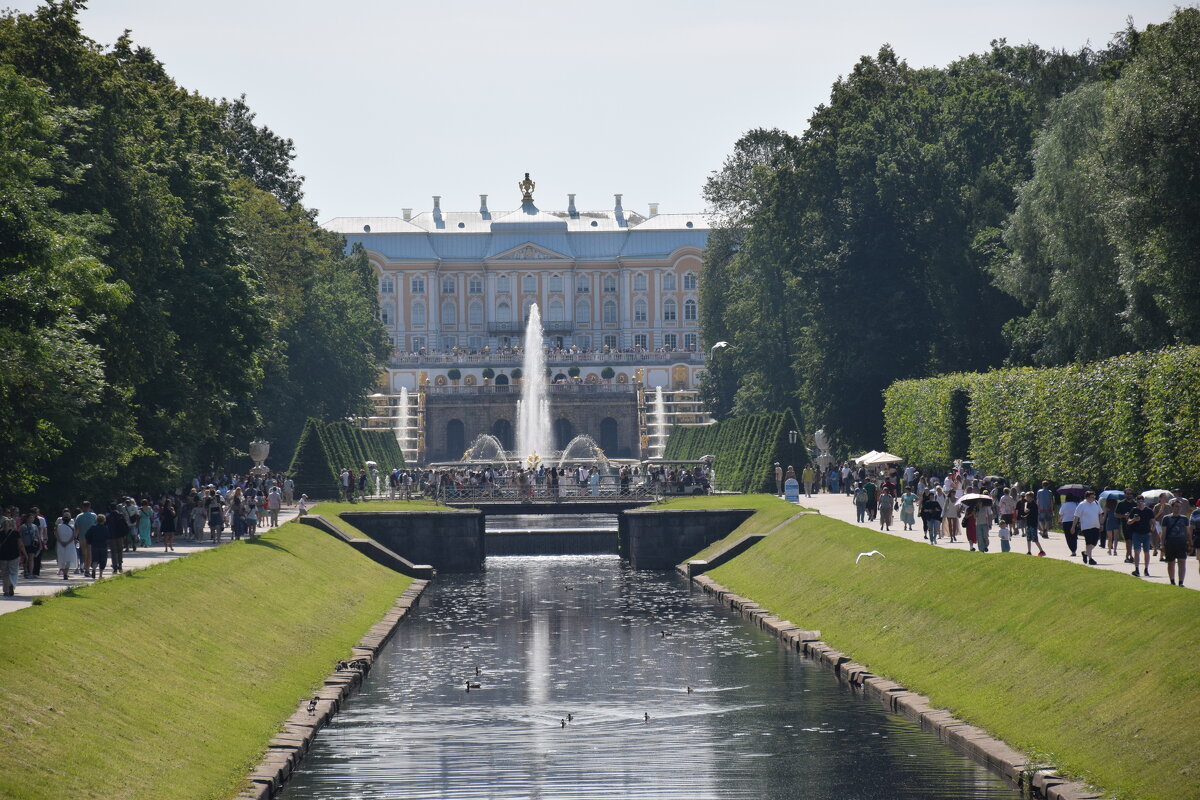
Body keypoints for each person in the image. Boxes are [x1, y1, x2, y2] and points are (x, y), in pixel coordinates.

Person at [1162, 499, 1189, 586]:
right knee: (1171, 563)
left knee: (1182, 562)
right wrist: (1162, 544)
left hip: (1181, 543)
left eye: (1180, 507)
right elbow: (1163, 532)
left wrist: (1190, 543)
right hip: (1170, 543)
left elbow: (1187, 532)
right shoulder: (1166, 518)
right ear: (1172, 507)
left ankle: (1181, 582)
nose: (1178, 508)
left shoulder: (1184, 518)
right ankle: (1172, 581)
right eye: (1176, 506)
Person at [1074, 491, 1103, 565]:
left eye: (1094, 497)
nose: (1093, 498)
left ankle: (1085, 553)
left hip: (1096, 526)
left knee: (1094, 542)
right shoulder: (1082, 505)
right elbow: (1076, 516)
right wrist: (1073, 527)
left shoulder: (1096, 503)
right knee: (1089, 543)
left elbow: (1100, 514)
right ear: (1087, 497)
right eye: (1092, 497)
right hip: (1086, 527)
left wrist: (1101, 524)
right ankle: (1090, 559)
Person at [1127, 496, 1154, 577]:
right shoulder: (1134, 510)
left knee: (1146, 552)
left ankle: (1146, 569)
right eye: (1138, 502)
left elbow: (1154, 522)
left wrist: (1151, 531)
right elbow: (1128, 522)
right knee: (1137, 551)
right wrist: (1134, 520)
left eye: (1141, 502)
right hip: (1136, 533)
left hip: (1146, 534)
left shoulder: (1149, 511)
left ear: (1144, 502)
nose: (1140, 504)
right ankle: (1137, 569)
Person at [0, 516, 26, 596]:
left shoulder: (0, 534)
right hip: (14, 555)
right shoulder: (15, 533)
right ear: (10, 525)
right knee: (13, 572)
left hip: (3, 556)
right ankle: (11, 584)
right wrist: (25, 554)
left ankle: (6, 590)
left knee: (5, 574)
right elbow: (20, 545)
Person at [1018, 492, 1046, 556]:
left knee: (1035, 539)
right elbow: (1028, 513)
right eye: (1026, 497)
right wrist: (1025, 516)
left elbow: (1026, 510)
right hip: (1028, 523)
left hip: (1033, 523)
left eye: (1027, 497)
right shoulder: (1028, 503)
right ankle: (1029, 551)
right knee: (1028, 538)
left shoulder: (1033, 504)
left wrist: (1025, 505)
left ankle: (1041, 551)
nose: (1026, 498)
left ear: (1031, 497)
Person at [74, 501, 97, 576]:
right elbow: (96, 526)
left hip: (82, 537)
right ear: (89, 507)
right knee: (89, 553)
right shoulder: (94, 515)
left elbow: (77, 528)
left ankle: (86, 568)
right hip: (92, 537)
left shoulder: (79, 516)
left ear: (82, 507)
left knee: (84, 554)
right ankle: (87, 569)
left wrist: (75, 537)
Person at [54, 509, 77, 579]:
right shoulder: (72, 527)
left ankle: (64, 572)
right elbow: (73, 536)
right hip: (69, 544)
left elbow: (56, 535)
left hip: (60, 544)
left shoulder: (58, 526)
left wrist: (61, 541)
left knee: (62, 559)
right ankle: (66, 573)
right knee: (68, 559)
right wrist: (67, 542)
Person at [106, 504, 128, 574]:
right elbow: (125, 525)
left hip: (111, 536)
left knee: (113, 552)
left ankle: (115, 567)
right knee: (120, 551)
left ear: (110, 509)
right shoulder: (120, 515)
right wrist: (124, 534)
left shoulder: (108, 517)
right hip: (120, 536)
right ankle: (120, 565)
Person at [87, 514, 108, 579]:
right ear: (104, 520)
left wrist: (90, 542)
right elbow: (108, 536)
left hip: (94, 546)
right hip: (103, 546)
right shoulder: (105, 528)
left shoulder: (93, 527)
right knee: (103, 560)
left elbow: (87, 535)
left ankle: (94, 569)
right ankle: (100, 575)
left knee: (95, 559)